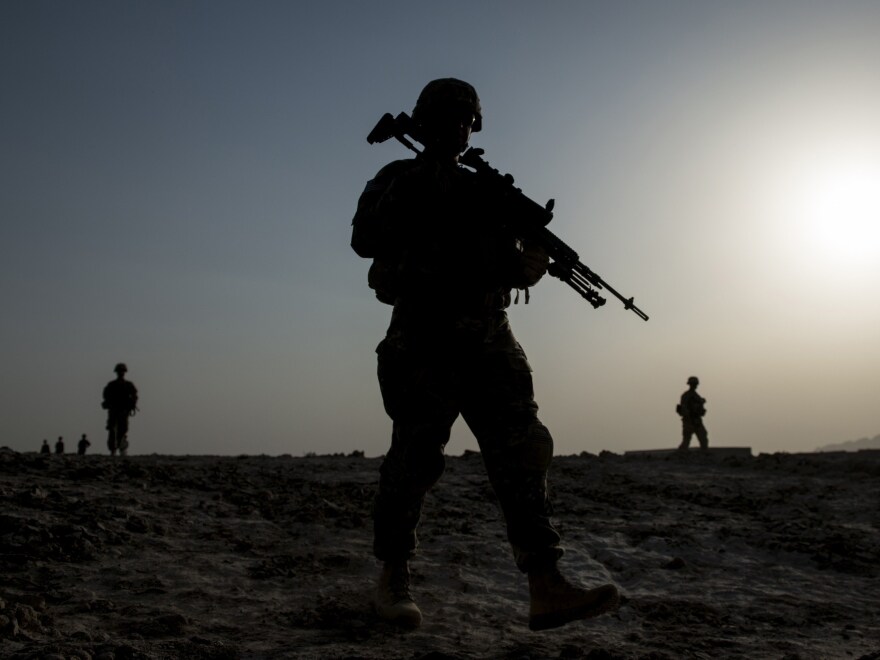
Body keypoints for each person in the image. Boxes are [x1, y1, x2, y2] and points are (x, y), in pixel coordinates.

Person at [351, 78, 619, 631]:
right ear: (421, 123)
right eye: (444, 117)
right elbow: (365, 238)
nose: (456, 127)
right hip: (423, 337)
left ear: (475, 126)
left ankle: (545, 583)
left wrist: (530, 263)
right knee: (415, 459)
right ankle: (392, 579)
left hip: (491, 340)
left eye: (464, 119)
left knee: (524, 451)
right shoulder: (396, 178)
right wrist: (432, 183)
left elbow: (512, 263)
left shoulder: (489, 192)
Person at [102, 363, 138, 456]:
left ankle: (122, 448)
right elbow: (106, 396)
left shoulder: (129, 385)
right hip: (114, 409)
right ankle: (113, 449)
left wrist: (132, 404)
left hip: (123, 410)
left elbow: (134, 396)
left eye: (122, 371)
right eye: (119, 371)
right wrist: (107, 403)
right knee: (112, 429)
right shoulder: (111, 385)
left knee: (123, 430)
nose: (121, 373)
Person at [677, 376, 709, 450]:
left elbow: (700, 409)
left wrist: (701, 406)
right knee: (686, 440)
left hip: (696, 420)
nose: (695, 386)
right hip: (689, 421)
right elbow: (684, 408)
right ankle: (681, 454)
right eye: (693, 384)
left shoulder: (696, 396)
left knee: (703, 437)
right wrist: (689, 417)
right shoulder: (686, 395)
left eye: (695, 384)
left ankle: (704, 454)